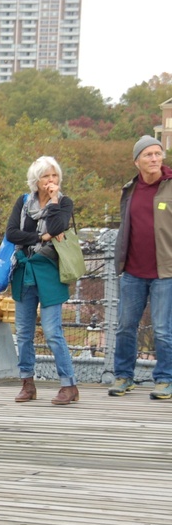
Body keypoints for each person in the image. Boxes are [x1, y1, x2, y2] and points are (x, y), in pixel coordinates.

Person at [6, 156, 79, 405]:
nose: (51, 180)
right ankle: (27, 383)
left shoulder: (64, 202)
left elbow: (59, 226)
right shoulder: (24, 202)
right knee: (24, 332)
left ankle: (68, 385)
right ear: (36, 180)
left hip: (50, 272)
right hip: (24, 272)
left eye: (54, 175)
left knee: (52, 331)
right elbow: (12, 233)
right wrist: (41, 237)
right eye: (46, 176)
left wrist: (56, 200)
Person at [109, 136, 172, 399]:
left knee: (162, 329)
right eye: (148, 155)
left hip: (165, 273)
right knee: (125, 326)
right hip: (132, 272)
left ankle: (165, 379)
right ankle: (123, 376)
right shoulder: (130, 189)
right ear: (137, 161)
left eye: (158, 154)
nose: (155, 159)